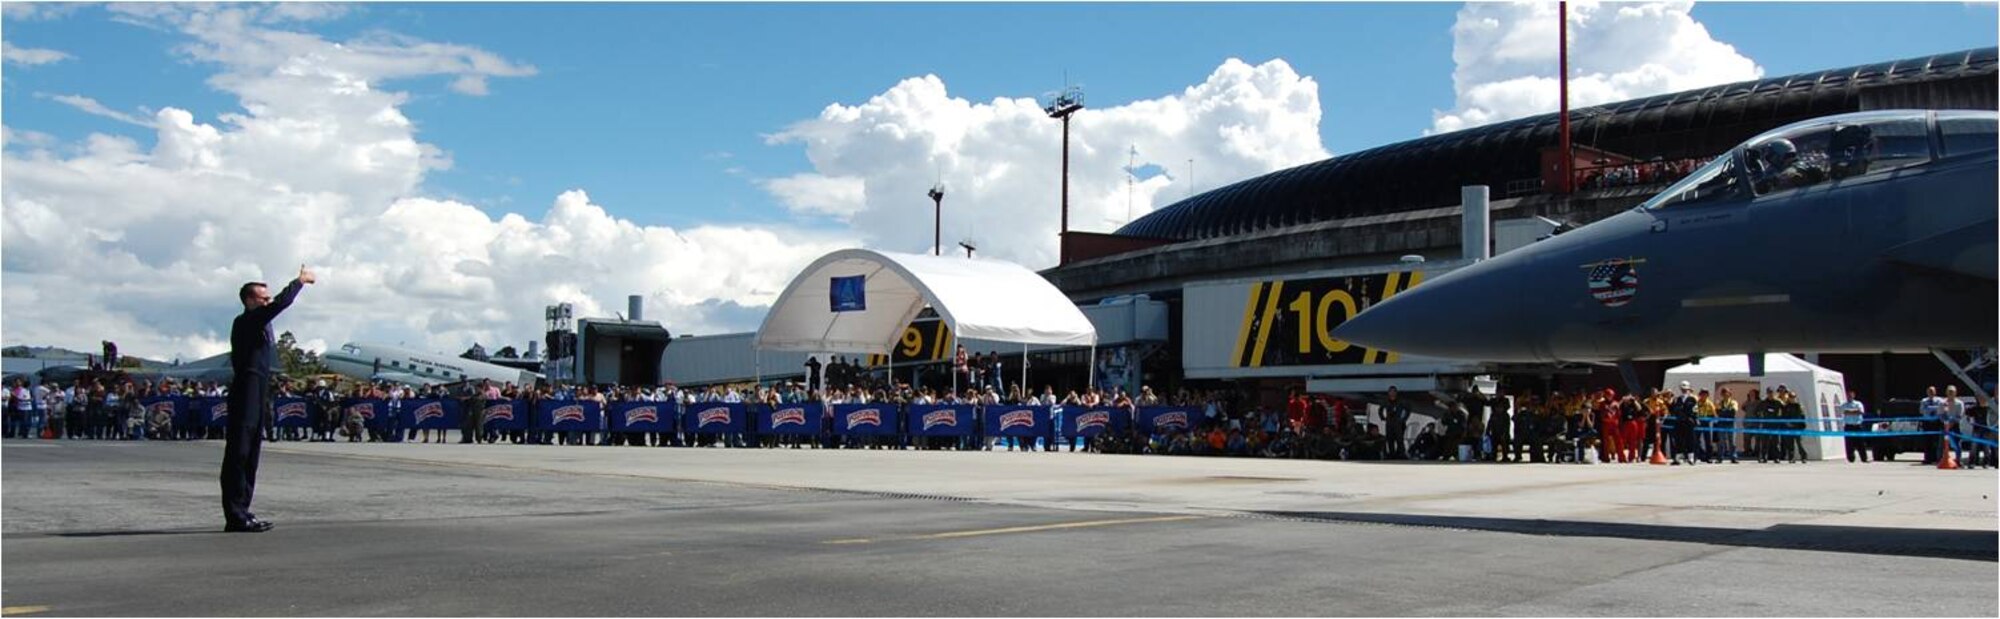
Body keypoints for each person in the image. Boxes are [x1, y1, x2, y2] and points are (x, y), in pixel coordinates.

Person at [220, 265, 314, 533]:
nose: (268, 301)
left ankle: (243, 510)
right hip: (246, 388)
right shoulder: (247, 320)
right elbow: (281, 303)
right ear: (250, 301)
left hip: (259, 387)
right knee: (239, 453)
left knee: (251, 454)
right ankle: (235, 514)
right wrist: (300, 281)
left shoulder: (258, 322)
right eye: (263, 298)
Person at [1838, 390, 1868, 463]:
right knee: (1849, 443)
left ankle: (1864, 458)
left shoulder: (1858, 403)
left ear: (1853, 395)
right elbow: (1843, 412)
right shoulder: (1843, 404)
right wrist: (1854, 411)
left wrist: (1849, 411)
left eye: (1851, 395)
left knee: (1861, 443)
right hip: (1848, 426)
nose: (1849, 397)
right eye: (1848, 395)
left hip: (1858, 426)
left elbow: (1861, 412)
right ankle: (1851, 459)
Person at [1381, 387, 1409, 460]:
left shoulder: (1400, 401)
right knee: (1390, 439)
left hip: (1398, 422)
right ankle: (1391, 454)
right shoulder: (1386, 401)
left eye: (1394, 391)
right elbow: (1380, 409)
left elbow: (1407, 410)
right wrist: (1383, 417)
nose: (1392, 393)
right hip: (1389, 422)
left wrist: (1403, 419)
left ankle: (1401, 454)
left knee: (1399, 439)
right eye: (1391, 391)